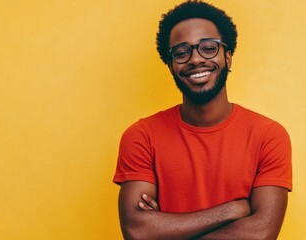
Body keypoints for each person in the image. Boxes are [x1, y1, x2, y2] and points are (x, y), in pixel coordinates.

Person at [113, 1, 292, 239]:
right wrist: (232, 210)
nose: (195, 60)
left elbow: (261, 233)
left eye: (208, 48)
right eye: (181, 52)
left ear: (228, 57)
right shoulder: (141, 136)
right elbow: (139, 231)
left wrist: (166, 230)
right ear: (170, 65)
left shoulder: (268, 136)